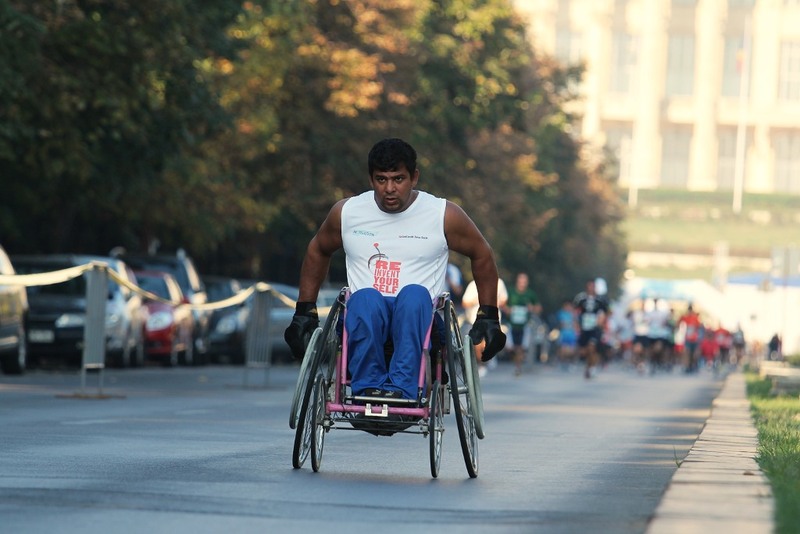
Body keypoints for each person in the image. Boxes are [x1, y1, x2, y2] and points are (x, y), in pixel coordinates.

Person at [284, 138, 506, 406]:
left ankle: (403, 389)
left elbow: (482, 253)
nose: (389, 189)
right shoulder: (348, 213)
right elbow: (318, 250)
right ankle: (368, 388)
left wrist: (488, 315)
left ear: (414, 177)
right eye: (381, 179)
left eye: (398, 179)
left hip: (420, 319)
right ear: (371, 179)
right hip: (364, 317)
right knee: (365, 298)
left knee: (414, 296)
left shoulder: (442, 214)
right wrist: (304, 311)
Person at [461, 277, 508, 376]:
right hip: (475, 318)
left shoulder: (499, 283)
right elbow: (465, 303)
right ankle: (482, 363)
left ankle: (488, 358)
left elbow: (504, 300)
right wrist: (477, 301)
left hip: (492, 318)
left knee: (488, 341)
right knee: (478, 344)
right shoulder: (473, 285)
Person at [502, 272, 541, 376]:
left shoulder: (530, 294)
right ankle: (517, 361)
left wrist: (532, 308)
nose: (522, 283)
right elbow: (502, 304)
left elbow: (538, 308)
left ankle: (518, 367)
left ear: (527, 282)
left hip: (524, 326)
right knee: (511, 348)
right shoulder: (511, 292)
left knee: (521, 348)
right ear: (517, 281)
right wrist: (508, 310)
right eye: (521, 281)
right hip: (511, 325)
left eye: (524, 281)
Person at [573, 278, 609, 379]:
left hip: (595, 328)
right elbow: (575, 312)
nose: (591, 288)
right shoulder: (580, 298)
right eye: (589, 286)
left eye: (593, 286)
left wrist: (602, 322)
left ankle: (592, 368)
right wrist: (576, 325)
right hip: (584, 328)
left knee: (592, 348)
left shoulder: (601, 300)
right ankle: (588, 366)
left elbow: (606, 313)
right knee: (584, 351)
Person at [678, 304, 703, 373]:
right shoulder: (685, 317)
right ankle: (687, 366)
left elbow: (699, 327)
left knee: (695, 354)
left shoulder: (695, 318)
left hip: (695, 339)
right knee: (687, 353)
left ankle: (694, 365)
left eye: (691, 310)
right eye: (689, 310)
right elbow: (679, 323)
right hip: (687, 339)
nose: (690, 312)